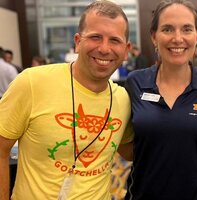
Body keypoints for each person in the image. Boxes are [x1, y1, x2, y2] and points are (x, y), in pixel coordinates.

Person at [0, 1, 133, 199]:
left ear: (126, 50)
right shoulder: (32, 82)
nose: (105, 49)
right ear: (78, 42)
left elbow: (130, 151)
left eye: (115, 40)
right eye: (96, 37)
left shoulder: (122, 99)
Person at [124, 0, 197, 199]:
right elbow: (121, 141)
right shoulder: (135, 83)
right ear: (154, 36)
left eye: (186, 29)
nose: (178, 39)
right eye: (167, 29)